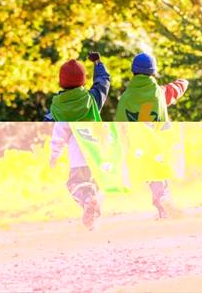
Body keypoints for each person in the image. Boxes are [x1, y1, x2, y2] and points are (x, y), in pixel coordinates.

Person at [115, 52, 188, 219]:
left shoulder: (125, 98)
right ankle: (163, 201)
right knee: (158, 173)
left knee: (152, 176)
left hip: (138, 146)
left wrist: (123, 145)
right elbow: (175, 89)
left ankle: (162, 205)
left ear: (133, 71)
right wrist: (183, 82)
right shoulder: (159, 93)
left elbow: (120, 123)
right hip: (158, 143)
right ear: (153, 72)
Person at [45, 52, 110, 230]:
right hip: (97, 152)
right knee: (96, 184)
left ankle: (87, 203)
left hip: (78, 156)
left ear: (61, 82)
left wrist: (54, 154)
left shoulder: (58, 107)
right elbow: (103, 82)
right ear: (83, 81)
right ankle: (93, 218)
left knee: (75, 184)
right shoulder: (92, 99)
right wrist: (97, 63)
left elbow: (59, 133)